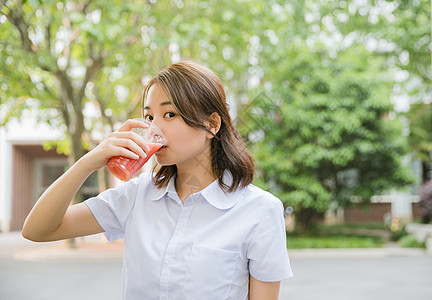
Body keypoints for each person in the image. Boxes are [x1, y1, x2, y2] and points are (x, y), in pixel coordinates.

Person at [22, 60, 293, 299]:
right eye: (149, 116)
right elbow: (37, 230)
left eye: (170, 114)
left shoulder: (260, 211)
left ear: (212, 124)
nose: (154, 127)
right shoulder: (135, 197)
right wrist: (88, 162)